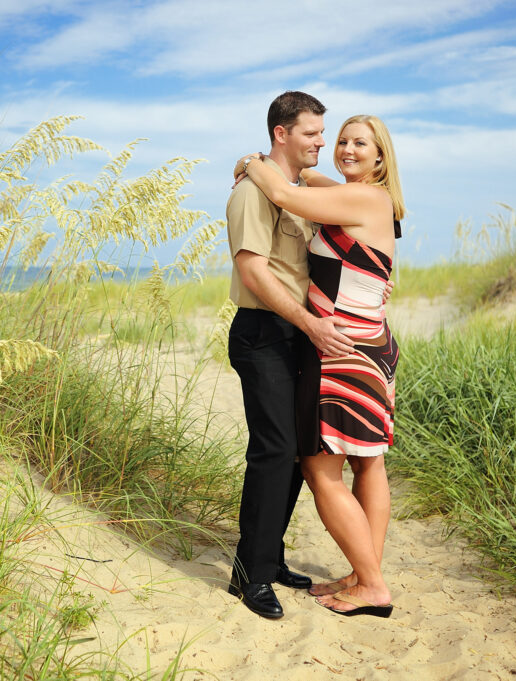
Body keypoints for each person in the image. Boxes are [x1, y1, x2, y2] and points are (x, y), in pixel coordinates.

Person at [235, 114, 404, 618]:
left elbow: (286, 196)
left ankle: (371, 585)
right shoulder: (365, 196)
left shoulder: (363, 198)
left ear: (380, 157)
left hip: (344, 350)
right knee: (367, 461)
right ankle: (363, 571)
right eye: (342, 140)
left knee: (318, 466)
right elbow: (306, 181)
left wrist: (252, 161)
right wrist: (295, 170)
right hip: (369, 344)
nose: (345, 148)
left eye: (360, 144)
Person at [225, 91, 357, 620]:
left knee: (301, 452)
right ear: (281, 133)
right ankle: (249, 577)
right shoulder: (250, 196)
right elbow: (255, 271)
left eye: (323, 133)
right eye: (312, 133)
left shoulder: (291, 189)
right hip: (263, 333)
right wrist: (310, 324)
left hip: (300, 334)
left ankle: (270, 555)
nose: (322, 143)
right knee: (274, 451)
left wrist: (309, 329)